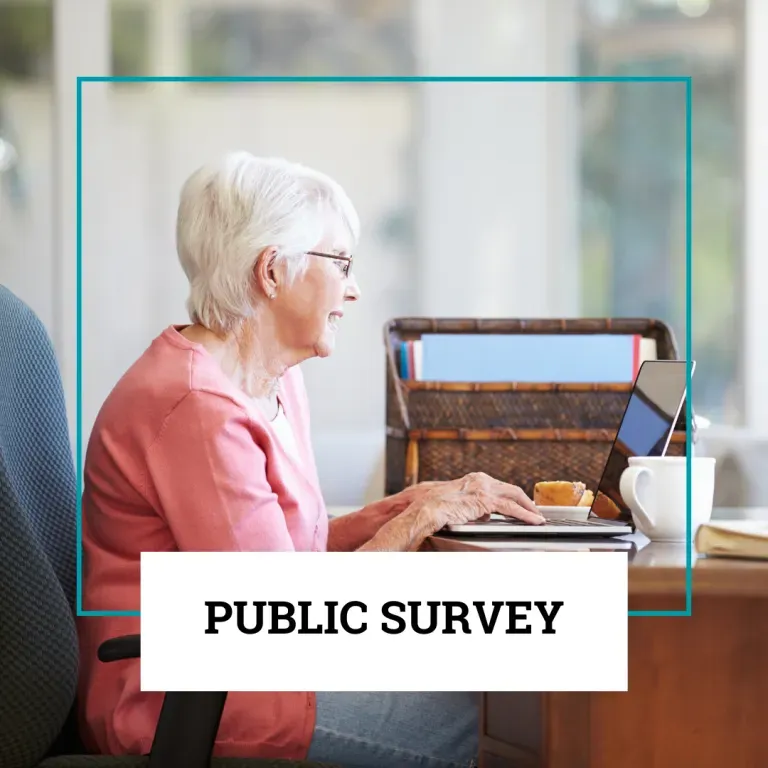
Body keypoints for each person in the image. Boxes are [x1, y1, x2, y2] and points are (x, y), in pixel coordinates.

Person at [78, 152, 545, 768]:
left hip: (246, 668)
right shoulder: (196, 409)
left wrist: (413, 505)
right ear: (272, 272)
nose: (354, 289)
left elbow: (289, 556)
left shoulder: (271, 379)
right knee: (504, 720)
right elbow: (286, 618)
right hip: (187, 698)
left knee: (510, 680)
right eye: (341, 263)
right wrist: (409, 527)